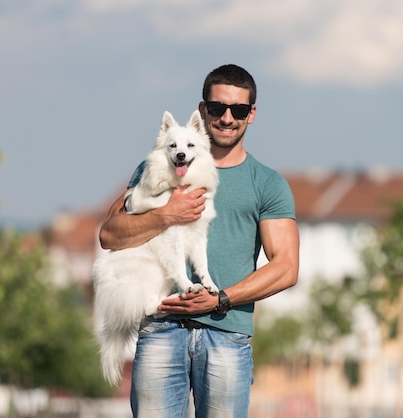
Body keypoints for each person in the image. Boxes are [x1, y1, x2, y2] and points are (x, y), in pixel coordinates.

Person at [98, 64, 299, 418]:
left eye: (238, 110)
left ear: (251, 114)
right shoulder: (157, 167)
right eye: (217, 107)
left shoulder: (267, 183)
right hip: (160, 326)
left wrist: (219, 299)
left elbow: (286, 267)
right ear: (203, 109)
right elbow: (110, 234)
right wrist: (166, 214)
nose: (226, 118)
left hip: (227, 334)